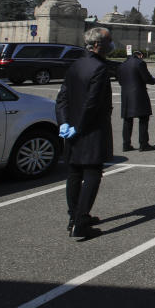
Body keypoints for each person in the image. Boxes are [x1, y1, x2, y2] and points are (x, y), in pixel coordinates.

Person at [56, 27, 115, 238]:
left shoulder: (76, 65)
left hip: (72, 128)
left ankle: (74, 215)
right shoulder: (99, 68)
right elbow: (92, 104)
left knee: (74, 174)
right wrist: (79, 127)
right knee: (91, 174)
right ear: (98, 45)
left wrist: (64, 123)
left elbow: (62, 98)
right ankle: (81, 221)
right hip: (90, 129)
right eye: (109, 41)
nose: (111, 44)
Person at [116, 50, 155, 152]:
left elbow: (120, 80)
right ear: (141, 55)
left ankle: (126, 144)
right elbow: (146, 78)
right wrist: (153, 80)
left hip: (126, 95)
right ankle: (143, 144)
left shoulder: (123, 64)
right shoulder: (140, 63)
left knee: (127, 120)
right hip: (139, 94)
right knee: (143, 118)